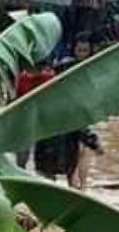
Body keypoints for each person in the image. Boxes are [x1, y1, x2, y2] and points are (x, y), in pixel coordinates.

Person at [33, 36, 100, 187]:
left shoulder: (90, 70)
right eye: (79, 50)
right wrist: (94, 142)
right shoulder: (65, 71)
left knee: (75, 160)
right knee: (55, 171)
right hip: (57, 134)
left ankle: (81, 188)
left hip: (69, 129)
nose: (82, 54)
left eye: (85, 51)